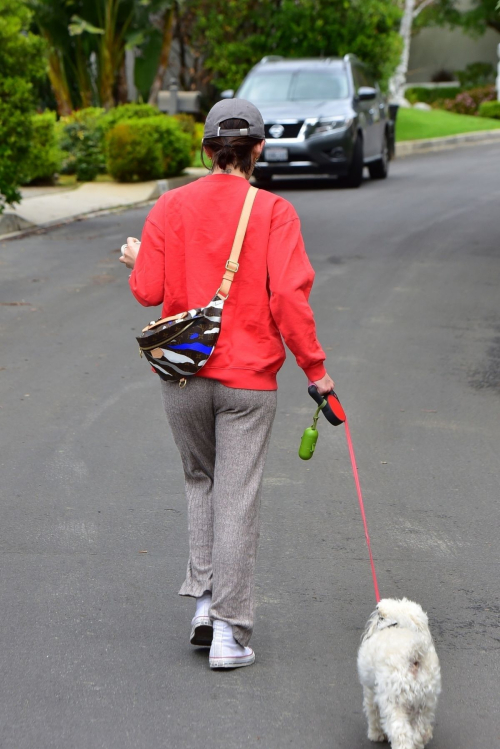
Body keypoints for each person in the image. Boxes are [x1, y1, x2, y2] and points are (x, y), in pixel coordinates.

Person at [119, 99, 334, 670]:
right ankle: (229, 634)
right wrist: (315, 369)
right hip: (248, 382)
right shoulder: (274, 212)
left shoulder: (169, 206)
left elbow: (147, 290)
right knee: (236, 496)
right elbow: (288, 299)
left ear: (206, 150)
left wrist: (136, 258)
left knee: (202, 483)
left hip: (182, 375)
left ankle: (206, 604)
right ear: (259, 149)